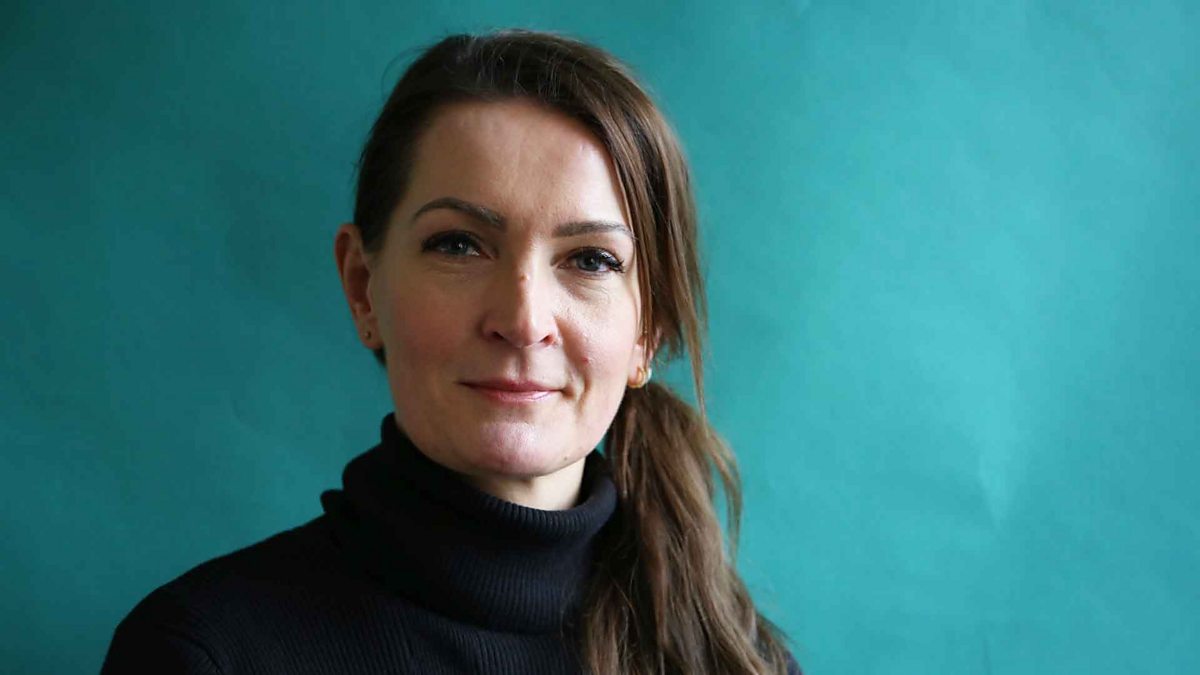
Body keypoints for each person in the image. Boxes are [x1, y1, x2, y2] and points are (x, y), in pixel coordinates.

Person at [101, 28, 801, 674]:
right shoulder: (203, 653)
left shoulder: (738, 657)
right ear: (363, 287)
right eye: (460, 245)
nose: (523, 321)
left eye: (590, 259)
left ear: (650, 331)